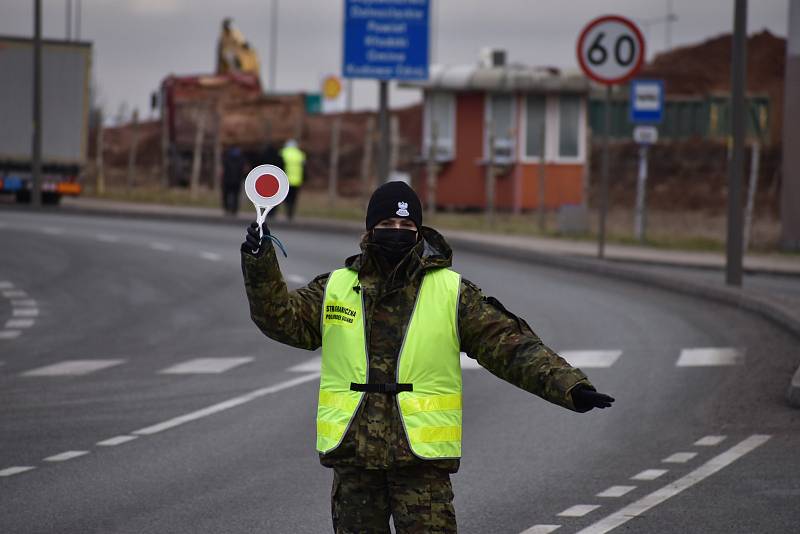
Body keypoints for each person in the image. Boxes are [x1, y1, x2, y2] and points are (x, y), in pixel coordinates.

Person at [240, 181, 614, 533]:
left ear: (419, 231)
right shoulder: (336, 288)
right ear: (371, 229)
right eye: (388, 223)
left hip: (421, 463)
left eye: (406, 224)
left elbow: (510, 345)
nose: (397, 230)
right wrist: (260, 262)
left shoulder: (452, 292)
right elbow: (281, 320)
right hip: (355, 459)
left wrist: (569, 387)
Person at [278, 139, 306, 221]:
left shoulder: (282, 152)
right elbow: (304, 167)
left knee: (286, 197)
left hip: (285, 179)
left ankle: (287, 210)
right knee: (294, 198)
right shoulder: (300, 154)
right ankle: (291, 212)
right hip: (297, 180)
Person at [221, 145, 245, 216]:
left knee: (226, 195)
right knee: (236, 196)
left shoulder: (226, 158)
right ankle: (234, 210)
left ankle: (227, 209)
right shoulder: (241, 160)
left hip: (227, 180)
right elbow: (243, 171)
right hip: (237, 181)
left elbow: (223, 169)